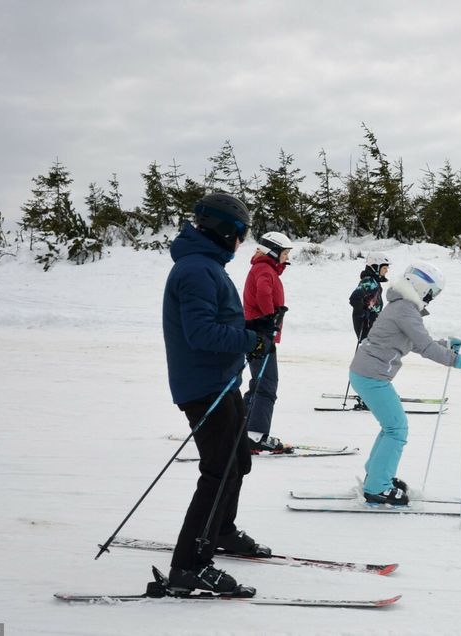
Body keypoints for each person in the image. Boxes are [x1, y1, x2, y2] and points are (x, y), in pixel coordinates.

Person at [162, 193, 274, 595]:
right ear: (225, 231)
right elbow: (201, 333)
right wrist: (250, 340)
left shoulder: (206, 267)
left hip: (221, 382)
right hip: (204, 387)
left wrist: (253, 330)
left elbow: (218, 318)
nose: (241, 242)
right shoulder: (196, 271)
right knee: (217, 472)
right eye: (240, 233)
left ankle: (221, 531)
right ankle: (189, 566)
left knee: (237, 462)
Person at [348, 262, 461, 504]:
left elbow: (418, 342)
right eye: (432, 293)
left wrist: (444, 345)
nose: (432, 299)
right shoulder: (405, 310)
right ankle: (377, 486)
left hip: (367, 373)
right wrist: (460, 361)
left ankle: (377, 476)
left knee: (391, 426)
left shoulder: (402, 306)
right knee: (397, 429)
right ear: (422, 288)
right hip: (372, 376)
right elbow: (425, 347)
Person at [241, 231, 293, 454]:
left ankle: (240, 429)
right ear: (273, 251)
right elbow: (263, 292)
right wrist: (270, 316)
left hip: (257, 332)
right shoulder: (264, 269)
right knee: (267, 384)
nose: (287, 257)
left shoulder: (263, 268)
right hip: (261, 334)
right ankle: (256, 434)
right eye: (284, 253)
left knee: (259, 382)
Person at [349, 251, 391, 341]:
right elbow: (355, 298)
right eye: (384, 268)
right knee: (373, 347)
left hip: (373, 321)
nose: (387, 271)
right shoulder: (368, 281)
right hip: (366, 323)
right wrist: (362, 313)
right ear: (376, 267)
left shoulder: (375, 282)